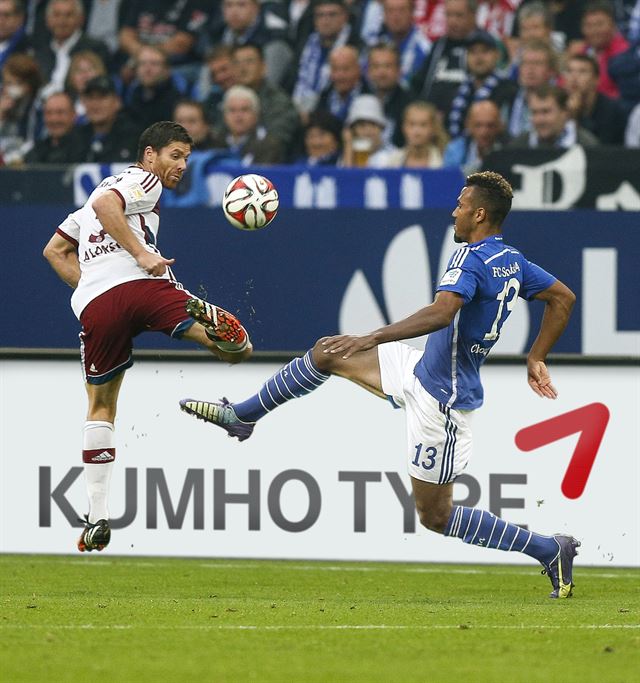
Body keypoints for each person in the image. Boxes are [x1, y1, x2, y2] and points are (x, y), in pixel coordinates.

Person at [179, 170, 581, 600]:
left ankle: (547, 548)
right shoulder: (512, 260)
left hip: (442, 399)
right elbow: (563, 298)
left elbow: (442, 313)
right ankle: (243, 416)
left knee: (435, 515)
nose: (455, 211)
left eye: (462, 205)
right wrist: (536, 355)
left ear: (480, 214)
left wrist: (373, 336)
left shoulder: (471, 259)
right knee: (328, 351)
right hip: (422, 368)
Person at [42, 120, 253, 553]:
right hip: (145, 286)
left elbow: (54, 251)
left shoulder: (92, 201)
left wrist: (90, 287)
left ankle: (96, 517)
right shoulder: (143, 179)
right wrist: (141, 254)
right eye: (175, 156)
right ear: (150, 153)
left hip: (98, 305)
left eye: (186, 159)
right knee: (238, 351)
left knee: (100, 407)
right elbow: (106, 203)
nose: (180, 166)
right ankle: (221, 332)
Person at [563, 52, 628, 143]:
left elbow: (601, 149)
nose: (574, 77)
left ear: (596, 80)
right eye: (569, 71)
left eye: (582, 71)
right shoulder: (558, 105)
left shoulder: (612, 110)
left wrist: (574, 117)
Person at [509, 82, 599, 148]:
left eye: (546, 112)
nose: (540, 120)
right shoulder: (518, 146)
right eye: (534, 112)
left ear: (565, 113)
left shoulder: (587, 145)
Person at [443, 98, 509, 173]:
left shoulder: (510, 150)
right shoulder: (454, 150)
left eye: (490, 125)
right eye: (478, 125)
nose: (484, 132)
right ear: (468, 125)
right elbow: (450, 181)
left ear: (499, 126)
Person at [383, 100, 448, 167]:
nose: (417, 131)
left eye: (423, 125)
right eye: (412, 124)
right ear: (404, 127)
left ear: (433, 128)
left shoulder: (443, 161)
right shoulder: (393, 160)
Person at [24, 89, 76, 162]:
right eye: (49, 113)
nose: (54, 119)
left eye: (60, 112)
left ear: (73, 115)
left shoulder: (86, 149)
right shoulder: (36, 151)